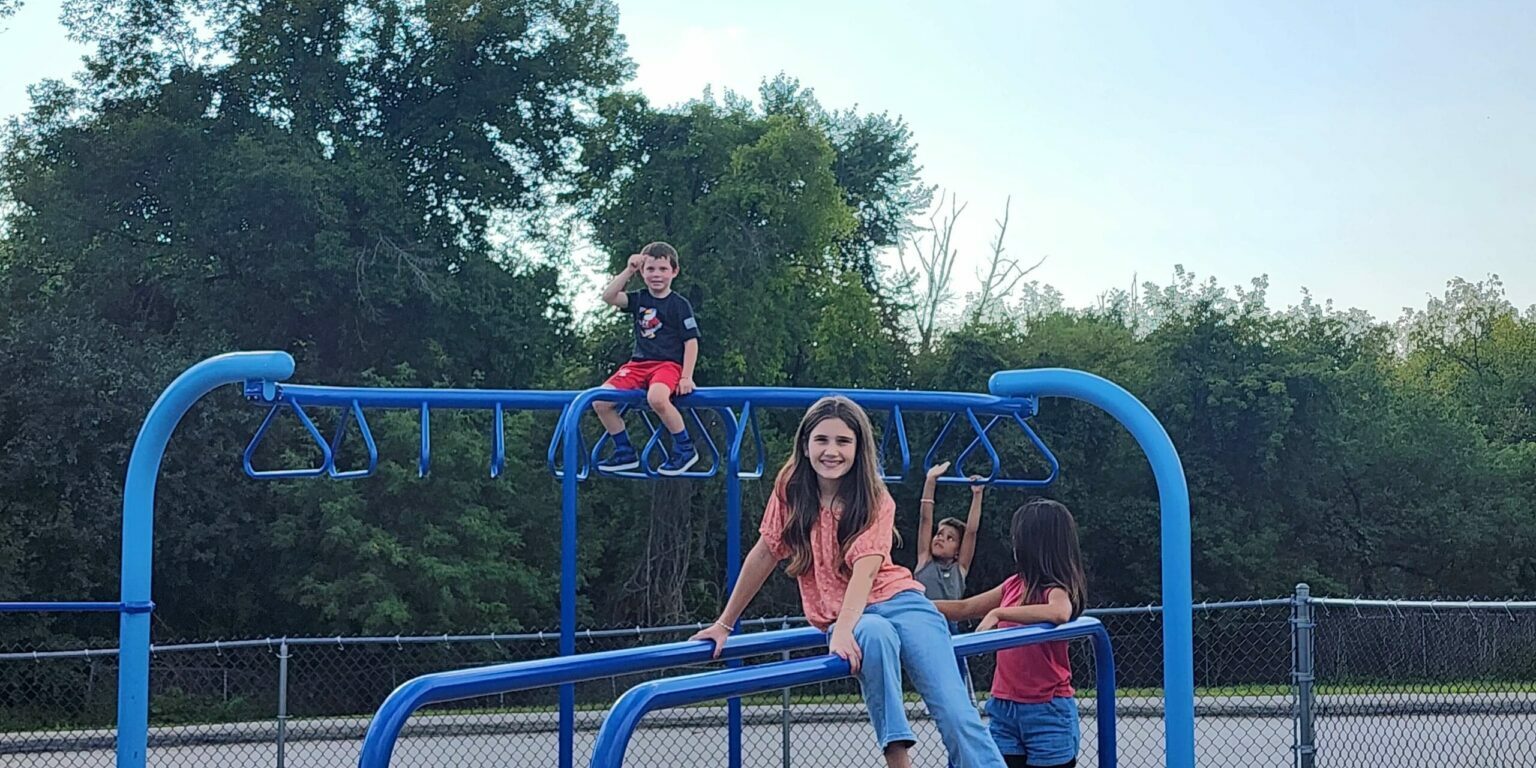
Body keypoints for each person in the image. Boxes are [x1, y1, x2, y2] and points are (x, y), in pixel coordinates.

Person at [691, 396, 1007, 768]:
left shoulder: (873, 497)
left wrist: (842, 629)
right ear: (805, 445)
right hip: (852, 616)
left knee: (956, 713)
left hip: (900, 601)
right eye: (822, 440)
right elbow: (765, 553)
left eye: (843, 441)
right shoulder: (792, 489)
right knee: (873, 634)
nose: (832, 451)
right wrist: (724, 624)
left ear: (858, 449)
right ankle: (898, 758)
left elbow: (866, 570)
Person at [935, 499, 1088, 768]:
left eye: (1019, 538)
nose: (1014, 545)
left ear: (1035, 545)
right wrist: (911, 603)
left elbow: (1060, 612)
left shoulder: (1054, 589)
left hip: (1046, 710)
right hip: (1005, 707)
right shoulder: (1013, 585)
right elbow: (964, 608)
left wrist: (1000, 613)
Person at [593, 242, 700, 476]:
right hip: (638, 365)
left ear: (674, 272)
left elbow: (691, 342)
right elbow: (609, 296)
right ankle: (624, 451)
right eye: (650, 269)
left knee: (657, 398)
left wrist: (686, 377)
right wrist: (629, 270)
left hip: (667, 365)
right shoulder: (639, 299)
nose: (656, 275)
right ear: (642, 272)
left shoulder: (679, 305)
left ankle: (684, 448)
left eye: (663, 269)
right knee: (600, 401)